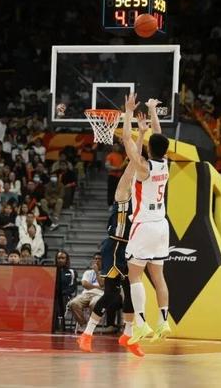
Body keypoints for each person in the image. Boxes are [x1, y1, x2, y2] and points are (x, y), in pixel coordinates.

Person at [77, 113, 148, 356]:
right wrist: (139, 134)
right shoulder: (123, 192)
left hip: (132, 247)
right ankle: (87, 335)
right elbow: (133, 160)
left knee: (131, 293)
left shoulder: (142, 197)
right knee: (110, 294)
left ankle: (128, 336)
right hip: (115, 246)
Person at [121, 94, 171, 344]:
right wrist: (152, 110)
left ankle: (141, 324)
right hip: (162, 225)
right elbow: (159, 136)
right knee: (158, 277)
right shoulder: (165, 163)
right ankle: (164, 321)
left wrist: (129, 112)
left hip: (144, 224)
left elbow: (126, 141)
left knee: (135, 276)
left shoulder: (143, 168)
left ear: (149, 148)